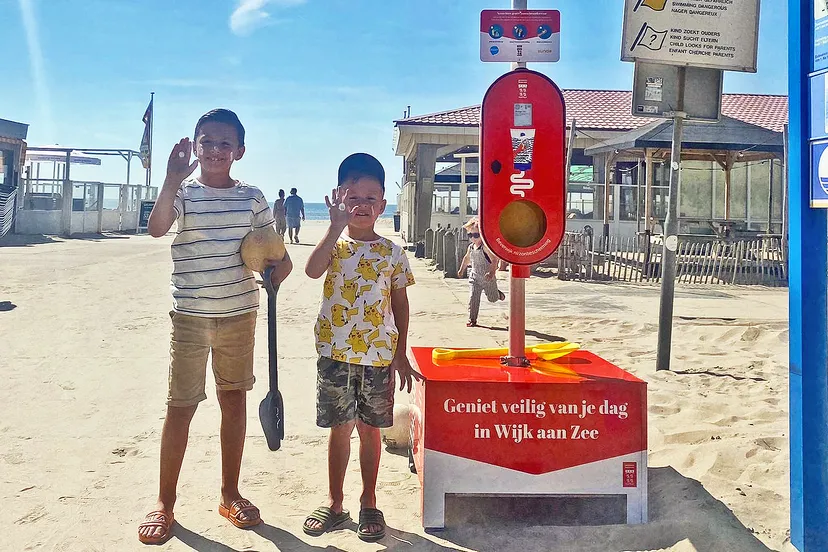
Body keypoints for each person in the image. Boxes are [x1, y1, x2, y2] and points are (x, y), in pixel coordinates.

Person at [139, 109, 293, 545]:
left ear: (240, 151)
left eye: (225, 144)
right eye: (207, 142)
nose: (216, 151)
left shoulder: (253, 198)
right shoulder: (184, 194)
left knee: (233, 403)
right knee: (180, 408)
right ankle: (165, 503)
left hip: (238, 315)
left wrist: (279, 269)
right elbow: (156, 229)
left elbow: (277, 254)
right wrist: (170, 180)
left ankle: (230, 493)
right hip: (189, 317)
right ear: (195, 145)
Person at [303, 153, 419, 542]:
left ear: (383, 205)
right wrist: (333, 230)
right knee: (340, 430)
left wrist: (401, 352)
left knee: (371, 431)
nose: (362, 205)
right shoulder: (334, 246)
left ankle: (369, 501)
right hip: (334, 354)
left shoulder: (392, 253)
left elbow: (400, 303)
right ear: (339, 198)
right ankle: (335, 504)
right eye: (353, 197)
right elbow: (312, 269)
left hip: (379, 357)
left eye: (371, 198)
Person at [458, 217, 505, 327]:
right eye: (470, 235)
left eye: (476, 235)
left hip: (487, 278)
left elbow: (494, 260)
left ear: (482, 235)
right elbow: (467, 258)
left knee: (492, 298)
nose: (473, 238)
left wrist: (491, 273)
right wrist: (461, 270)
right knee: (473, 298)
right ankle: (472, 319)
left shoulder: (485, 247)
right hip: (474, 277)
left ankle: (498, 294)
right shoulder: (470, 247)